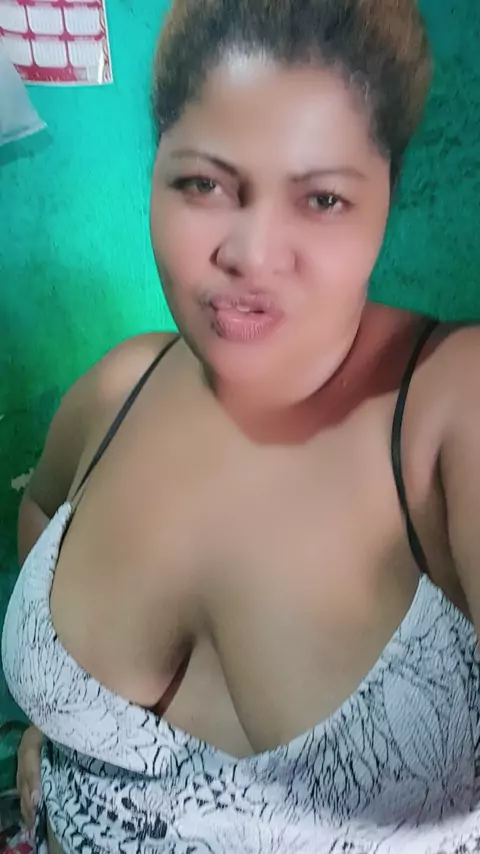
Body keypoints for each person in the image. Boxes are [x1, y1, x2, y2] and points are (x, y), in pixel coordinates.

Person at [3, 0, 480, 851]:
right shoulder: (120, 385)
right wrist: (58, 722)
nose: (252, 255)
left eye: (323, 198)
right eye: (204, 185)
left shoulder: (449, 408)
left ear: (388, 198)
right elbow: (40, 510)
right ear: (156, 171)